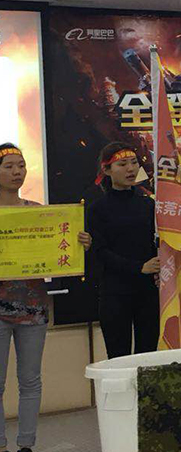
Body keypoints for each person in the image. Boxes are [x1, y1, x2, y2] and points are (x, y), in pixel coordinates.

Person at [0, 143, 91, 452]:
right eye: (9, 166)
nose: (17, 172)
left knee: (30, 380)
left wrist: (79, 242)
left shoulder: (38, 212)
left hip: (33, 308)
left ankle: (26, 445)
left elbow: (58, 250)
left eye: (21, 165)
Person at [87, 142, 160, 359]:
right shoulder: (97, 208)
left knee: (148, 358)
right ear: (107, 170)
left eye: (134, 163)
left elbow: (157, 243)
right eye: (122, 164)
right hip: (115, 293)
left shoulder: (148, 205)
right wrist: (139, 267)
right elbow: (100, 252)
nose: (130, 169)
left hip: (148, 292)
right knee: (119, 359)